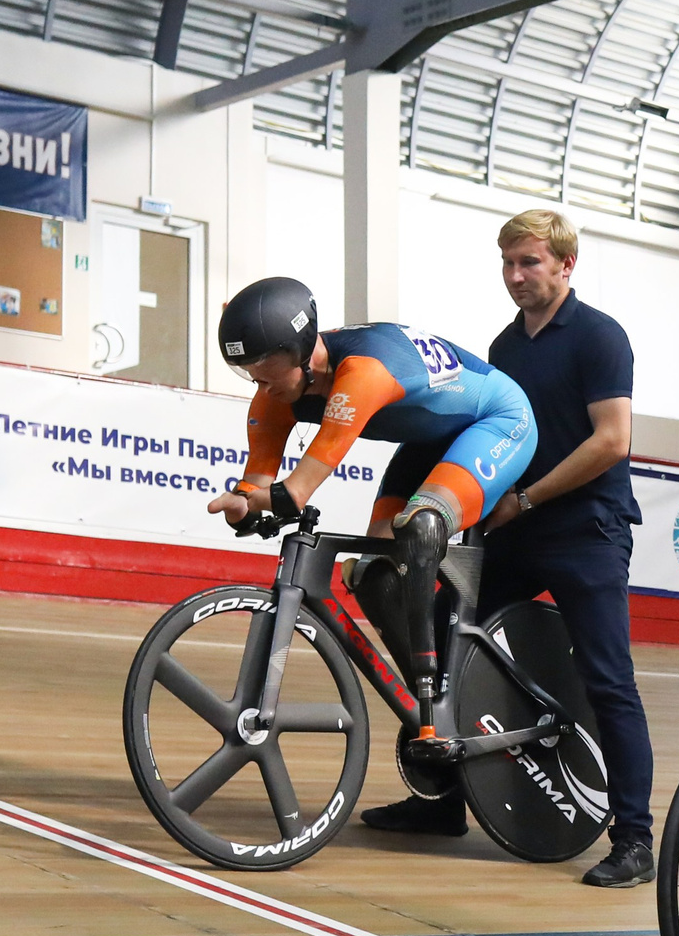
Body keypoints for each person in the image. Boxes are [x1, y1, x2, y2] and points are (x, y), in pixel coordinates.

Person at [357, 210, 658, 890]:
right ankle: (447, 801)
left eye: (529, 262)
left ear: (564, 265)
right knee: (441, 637)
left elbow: (611, 440)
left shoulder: (601, 337)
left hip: (587, 531)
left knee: (609, 680)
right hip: (516, 529)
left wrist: (527, 499)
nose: (516, 276)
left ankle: (635, 838)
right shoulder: (505, 345)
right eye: (508, 264)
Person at [207, 278, 535, 728]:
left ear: (302, 349)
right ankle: (442, 704)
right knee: (376, 578)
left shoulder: (363, 372)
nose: (257, 381)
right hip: (429, 439)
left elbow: (295, 492)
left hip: (498, 421)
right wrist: (243, 505)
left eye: (264, 366)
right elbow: (257, 485)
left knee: (420, 529)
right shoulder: (273, 397)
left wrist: (260, 500)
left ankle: (430, 702)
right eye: (245, 369)